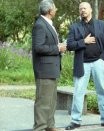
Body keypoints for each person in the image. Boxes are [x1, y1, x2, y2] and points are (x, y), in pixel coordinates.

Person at [65, 2, 104, 130]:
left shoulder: (101, 25)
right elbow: (70, 45)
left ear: (90, 10)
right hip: (82, 63)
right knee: (78, 92)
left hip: (98, 63)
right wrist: (84, 41)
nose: (82, 10)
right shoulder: (75, 27)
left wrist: (102, 59)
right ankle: (75, 121)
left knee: (102, 91)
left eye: (84, 8)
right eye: (80, 9)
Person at [32, 0, 66, 130]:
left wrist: (59, 47)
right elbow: (38, 48)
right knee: (43, 102)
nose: (56, 9)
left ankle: (50, 126)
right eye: (55, 7)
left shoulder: (48, 24)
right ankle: (40, 127)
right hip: (44, 70)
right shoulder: (40, 25)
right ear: (49, 10)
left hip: (51, 69)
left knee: (51, 101)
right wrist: (57, 48)